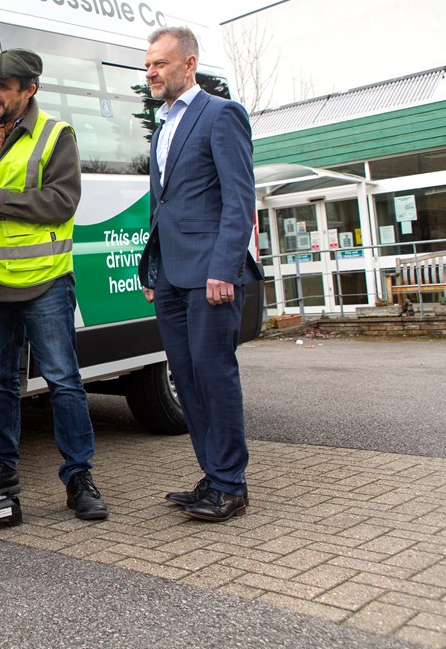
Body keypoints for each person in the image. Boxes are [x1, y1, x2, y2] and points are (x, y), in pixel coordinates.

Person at [0, 48, 109, 521]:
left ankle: (79, 477)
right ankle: (3, 470)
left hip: (43, 281)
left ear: (31, 89)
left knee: (64, 382)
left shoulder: (55, 135)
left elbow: (61, 203)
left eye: (4, 86)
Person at [137, 25, 261, 523]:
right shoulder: (163, 124)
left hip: (210, 274)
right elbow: (161, 203)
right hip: (169, 274)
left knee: (214, 377)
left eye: (159, 64)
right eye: (148, 65)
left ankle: (232, 486)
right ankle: (213, 475)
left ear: (188, 64)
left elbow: (238, 198)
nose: (151, 72)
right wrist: (152, 267)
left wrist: (223, 267)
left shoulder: (220, 114)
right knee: (186, 381)